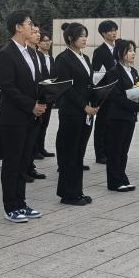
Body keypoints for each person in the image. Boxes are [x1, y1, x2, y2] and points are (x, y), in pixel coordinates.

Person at [0, 10, 48, 223]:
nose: (33, 27)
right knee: (12, 163)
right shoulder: (6, 53)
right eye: (29, 23)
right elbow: (7, 87)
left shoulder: (32, 52)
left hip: (32, 117)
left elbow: (37, 82)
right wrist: (31, 105)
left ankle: (21, 203)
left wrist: (45, 98)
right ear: (18, 27)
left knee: (24, 162)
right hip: (14, 118)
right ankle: (10, 207)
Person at [54, 23, 97, 205]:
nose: (85, 39)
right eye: (81, 36)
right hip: (71, 112)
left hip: (86, 112)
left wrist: (95, 101)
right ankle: (67, 194)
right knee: (69, 153)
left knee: (79, 153)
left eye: (86, 35)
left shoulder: (85, 57)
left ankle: (77, 191)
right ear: (70, 38)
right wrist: (83, 106)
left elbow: (89, 84)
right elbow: (66, 88)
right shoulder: (63, 59)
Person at [106, 39, 139, 192]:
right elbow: (116, 97)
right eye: (129, 51)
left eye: (133, 50)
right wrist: (137, 106)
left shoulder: (133, 71)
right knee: (115, 149)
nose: (133, 53)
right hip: (117, 116)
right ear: (120, 53)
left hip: (130, 115)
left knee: (124, 150)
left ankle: (122, 177)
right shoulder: (114, 72)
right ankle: (114, 181)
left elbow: (137, 90)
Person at [21, 25, 47, 184]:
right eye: (34, 32)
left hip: (40, 101)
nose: (37, 34)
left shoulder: (39, 55)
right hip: (27, 104)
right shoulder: (23, 54)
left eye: (38, 32)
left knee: (34, 137)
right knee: (24, 141)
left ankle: (30, 166)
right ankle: (24, 169)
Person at [91, 20, 119, 164]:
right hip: (105, 93)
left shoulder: (119, 48)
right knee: (102, 124)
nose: (114, 33)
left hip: (117, 92)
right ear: (103, 33)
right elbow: (96, 74)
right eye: (110, 31)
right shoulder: (99, 51)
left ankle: (109, 151)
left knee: (112, 124)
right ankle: (100, 154)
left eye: (115, 30)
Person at [33, 32, 56, 159]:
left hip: (49, 96)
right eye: (44, 41)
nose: (47, 43)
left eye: (49, 40)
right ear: (39, 43)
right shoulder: (36, 56)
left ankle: (41, 148)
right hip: (40, 95)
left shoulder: (51, 58)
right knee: (38, 123)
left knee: (45, 123)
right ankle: (35, 150)